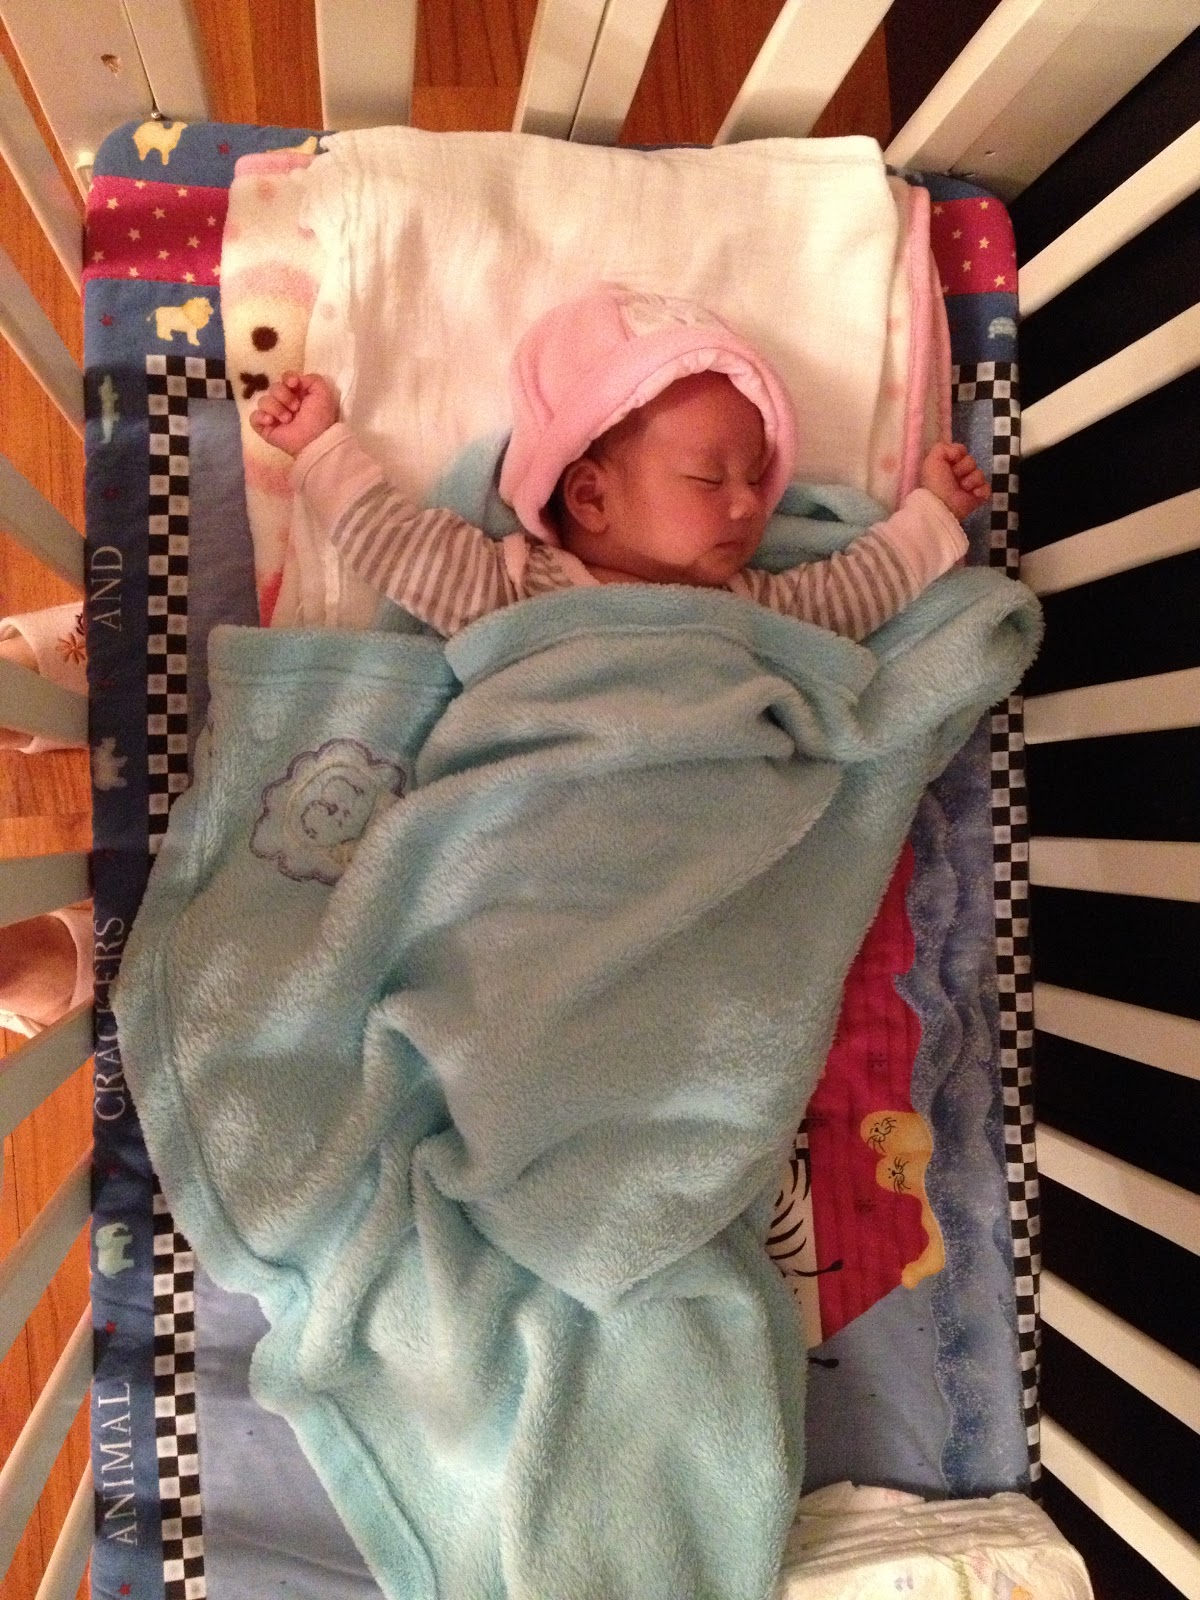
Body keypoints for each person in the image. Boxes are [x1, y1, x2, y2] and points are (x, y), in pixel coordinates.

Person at [249, 284, 988, 641]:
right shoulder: (516, 586)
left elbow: (851, 595)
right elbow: (396, 544)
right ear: (591, 496)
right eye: (709, 478)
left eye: (755, 477)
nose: (748, 504)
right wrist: (320, 445)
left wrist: (930, 514)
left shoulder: (756, 606)